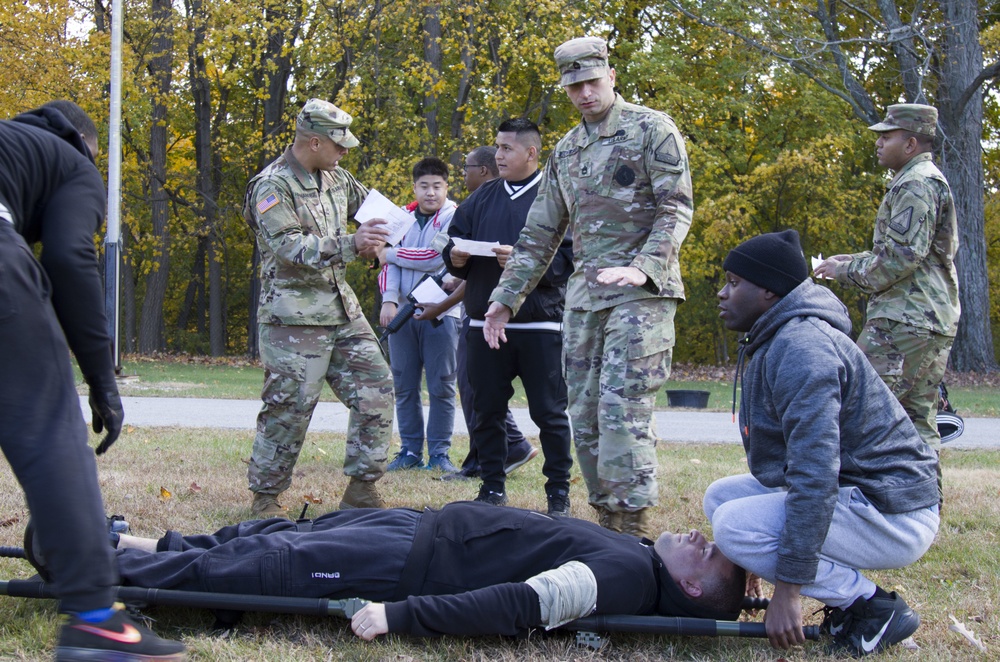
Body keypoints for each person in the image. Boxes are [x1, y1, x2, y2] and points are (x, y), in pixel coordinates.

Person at [483, 37, 693, 539]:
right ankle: (606, 524)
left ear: (611, 76)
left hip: (642, 296)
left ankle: (635, 528)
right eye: (573, 86)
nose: (584, 93)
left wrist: (645, 267)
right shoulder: (568, 151)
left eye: (592, 81)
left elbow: (676, 207)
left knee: (624, 410)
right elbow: (538, 234)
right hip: (584, 302)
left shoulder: (652, 129)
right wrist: (504, 299)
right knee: (587, 414)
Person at [1, 102, 185, 659]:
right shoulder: (73, 160)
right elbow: (70, 255)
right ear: (84, 140)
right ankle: (98, 622)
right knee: (48, 428)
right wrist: (101, 380)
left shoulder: (15, 146)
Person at [709, 230, 940, 657]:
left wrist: (788, 590)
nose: (722, 294)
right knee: (720, 498)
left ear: (768, 291)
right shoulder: (776, 338)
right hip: (861, 496)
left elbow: (815, 475)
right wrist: (750, 563)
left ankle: (870, 607)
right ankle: (853, 599)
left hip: (894, 511)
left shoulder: (801, 348)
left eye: (734, 283)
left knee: (734, 526)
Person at [110, 502, 746, 639]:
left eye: (708, 552)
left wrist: (398, 617)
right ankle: (135, 544)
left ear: (689, 587)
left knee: (266, 567)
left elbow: (520, 605)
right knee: (272, 535)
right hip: (418, 527)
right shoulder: (639, 556)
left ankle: (102, 570)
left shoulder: (627, 580)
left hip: (404, 566)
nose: (701, 536)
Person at [244, 98, 395, 519]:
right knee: (288, 407)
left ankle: (362, 490)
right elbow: (288, 245)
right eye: (338, 144)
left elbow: (379, 215)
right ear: (313, 142)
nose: (345, 151)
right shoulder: (271, 185)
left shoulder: (337, 178)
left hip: (341, 311)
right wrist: (353, 244)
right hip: (293, 319)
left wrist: (405, 237)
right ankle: (266, 499)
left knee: (377, 390)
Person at [815, 104, 959, 503]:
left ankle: (852, 505)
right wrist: (850, 260)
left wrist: (845, 272)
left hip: (904, 320)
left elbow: (899, 260)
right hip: (931, 316)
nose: (878, 142)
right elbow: (910, 253)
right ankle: (927, 510)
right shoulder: (925, 180)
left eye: (887, 136)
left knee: (860, 410)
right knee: (917, 419)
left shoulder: (915, 184)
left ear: (911, 143)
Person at [443, 119, 574, 514]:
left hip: (539, 323)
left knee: (549, 413)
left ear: (531, 153)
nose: (498, 156)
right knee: (486, 408)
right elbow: (451, 245)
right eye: (497, 147)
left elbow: (568, 259)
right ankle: (493, 487)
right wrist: (456, 258)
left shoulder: (555, 199)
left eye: (507, 148)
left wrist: (525, 263)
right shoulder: (480, 199)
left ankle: (558, 493)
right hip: (483, 323)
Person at [445, 145, 537, 482]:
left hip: (499, 314)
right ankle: (490, 454)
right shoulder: (478, 204)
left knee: (477, 386)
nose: (463, 173)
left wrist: (439, 308)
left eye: (466, 167)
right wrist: (455, 259)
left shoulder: (506, 202)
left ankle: (501, 452)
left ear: (483, 171)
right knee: (476, 388)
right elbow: (459, 253)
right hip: (482, 311)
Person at [377, 157, 461, 473]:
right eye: (424, 186)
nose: (430, 193)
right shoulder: (400, 217)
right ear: (414, 187)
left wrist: (391, 253)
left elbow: (432, 259)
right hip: (402, 313)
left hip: (443, 312)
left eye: (437, 186)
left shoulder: (455, 216)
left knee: (442, 384)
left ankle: (439, 454)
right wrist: (389, 300)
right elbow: (387, 264)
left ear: (446, 187)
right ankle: (409, 452)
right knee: (404, 384)